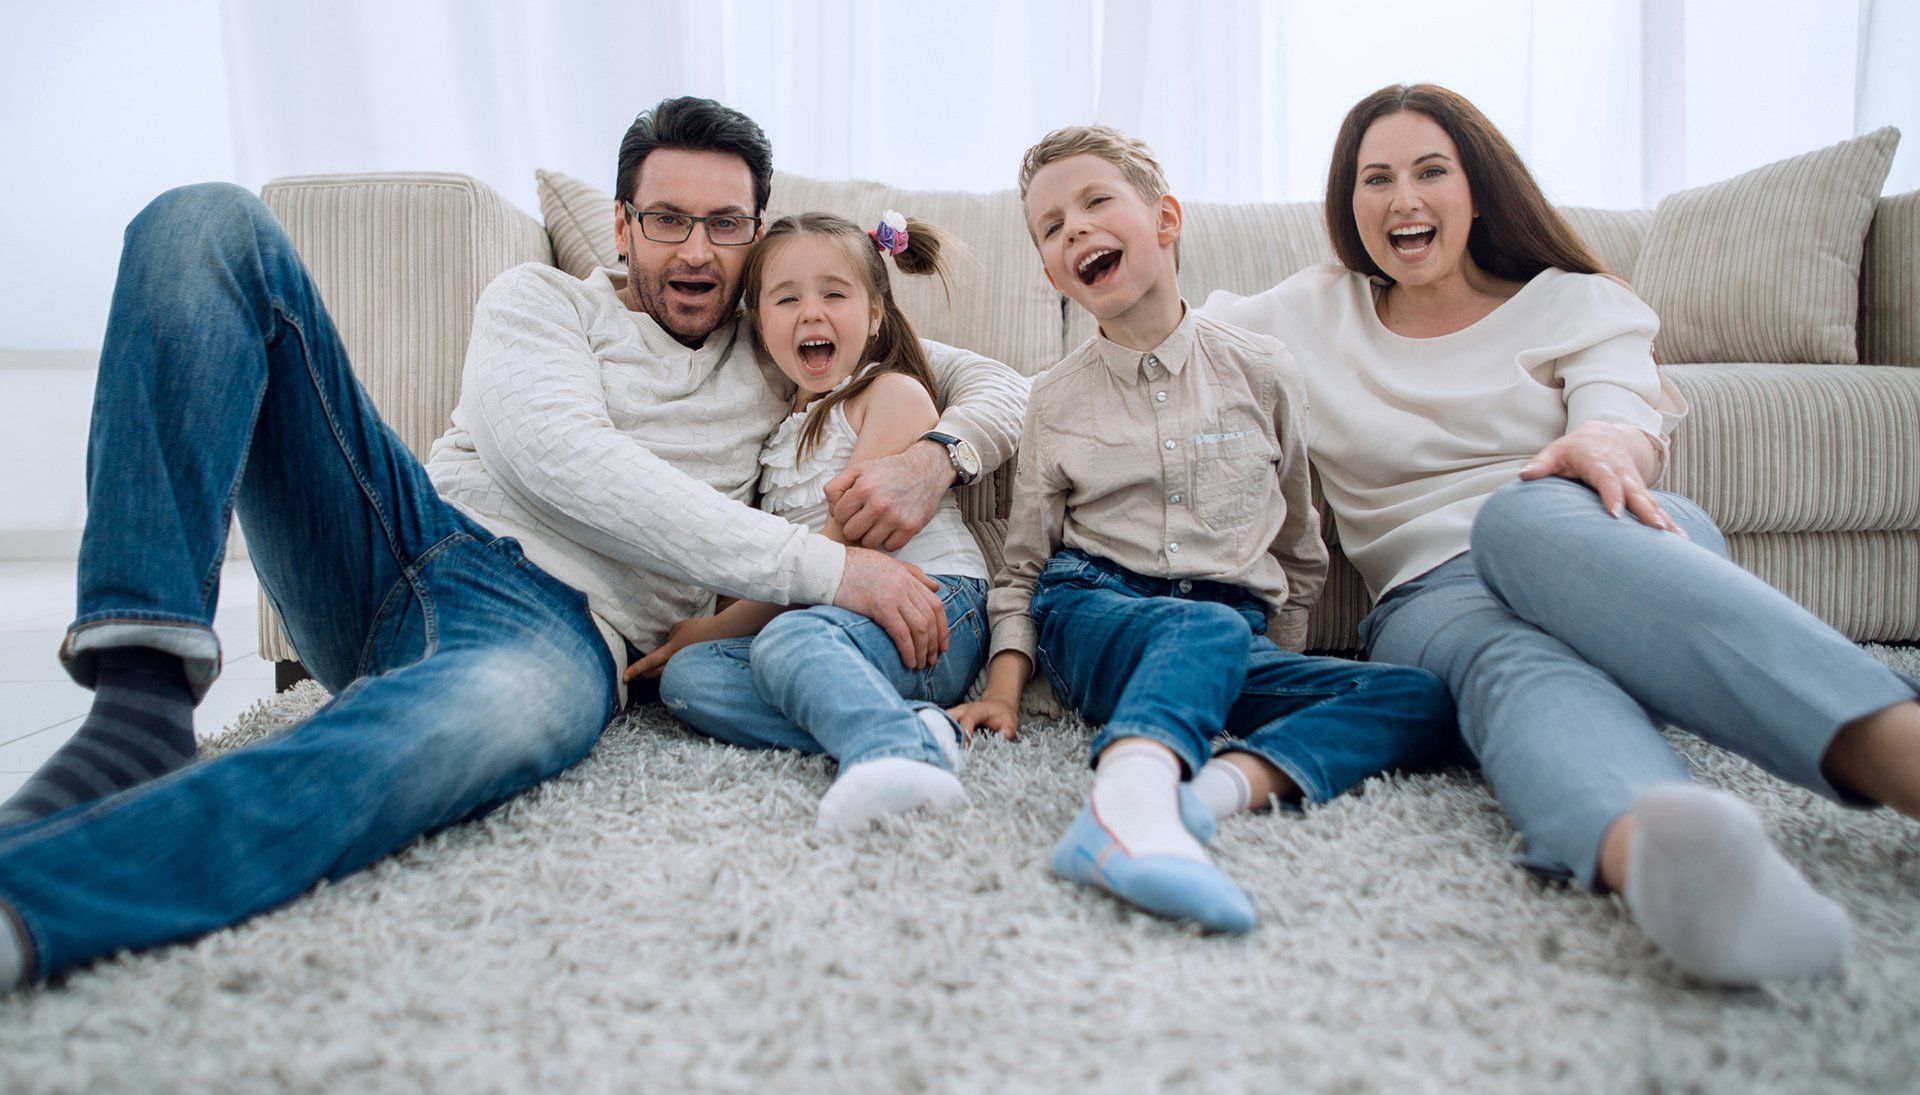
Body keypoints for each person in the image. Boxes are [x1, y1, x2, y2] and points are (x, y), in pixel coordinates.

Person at [0, 96, 1026, 989]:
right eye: (667, 220)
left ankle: (35, 899)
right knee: (207, 223)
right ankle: (137, 707)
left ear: (756, 236)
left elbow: (1001, 385)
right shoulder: (541, 300)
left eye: (724, 225)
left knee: (413, 751)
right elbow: (554, 456)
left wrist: (931, 458)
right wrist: (830, 568)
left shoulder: (782, 339)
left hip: (556, 629)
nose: (696, 251)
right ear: (622, 225)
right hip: (398, 535)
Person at [1202, 83, 1920, 984]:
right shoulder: (1310, 311)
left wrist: (1602, 443)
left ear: (1479, 189)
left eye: (1431, 171)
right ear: (1350, 205)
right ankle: (1666, 867)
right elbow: (1168, 338)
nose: (1402, 199)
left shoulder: (1577, 301)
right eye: (1375, 179)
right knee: (1514, 666)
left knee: (1521, 514)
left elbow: (1621, 413)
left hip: (1602, 545)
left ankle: (1902, 751)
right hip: (1436, 596)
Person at [951, 126, 1457, 934]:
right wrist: (1003, 693)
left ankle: (1201, 798)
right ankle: (1122, 809)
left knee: (1421, 698)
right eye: (1051, 227)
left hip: (1227, 632)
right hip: (1095, 611)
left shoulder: (1263, 369)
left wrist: (1267, 669)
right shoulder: (1054, 396)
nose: (1075, 228)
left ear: (1165, 219)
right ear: (1052, 273)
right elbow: (1023, 568)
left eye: (1095, 201)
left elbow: (1297, 546)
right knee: (1204, 627)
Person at [629, 212, 990, 833]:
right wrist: (698, 643)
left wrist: (708, 628)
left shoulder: (891, 396)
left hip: (932, 609)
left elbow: (830, 560)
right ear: (757, 322)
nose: (810, 313)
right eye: (786, 298)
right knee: (693, 679)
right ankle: (912, 727)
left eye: (834, 294)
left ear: (875, 315)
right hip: (833, 627)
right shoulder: (776, 432)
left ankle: (895, 754)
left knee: (784, 642)